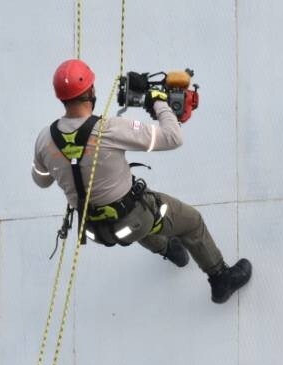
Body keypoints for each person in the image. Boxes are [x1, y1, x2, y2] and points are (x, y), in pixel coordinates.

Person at [31, 59, 252, 303]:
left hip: (96, 229)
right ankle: (220, 279)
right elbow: (172, 137)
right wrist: (158, 100)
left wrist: (61, 165)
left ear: (60, 97)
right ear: (91, 91)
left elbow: (41, 180)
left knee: (134, 219)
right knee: (190, 222)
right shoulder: (109, 129)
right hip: (132, 220)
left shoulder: (45, 139)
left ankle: (170, 250)